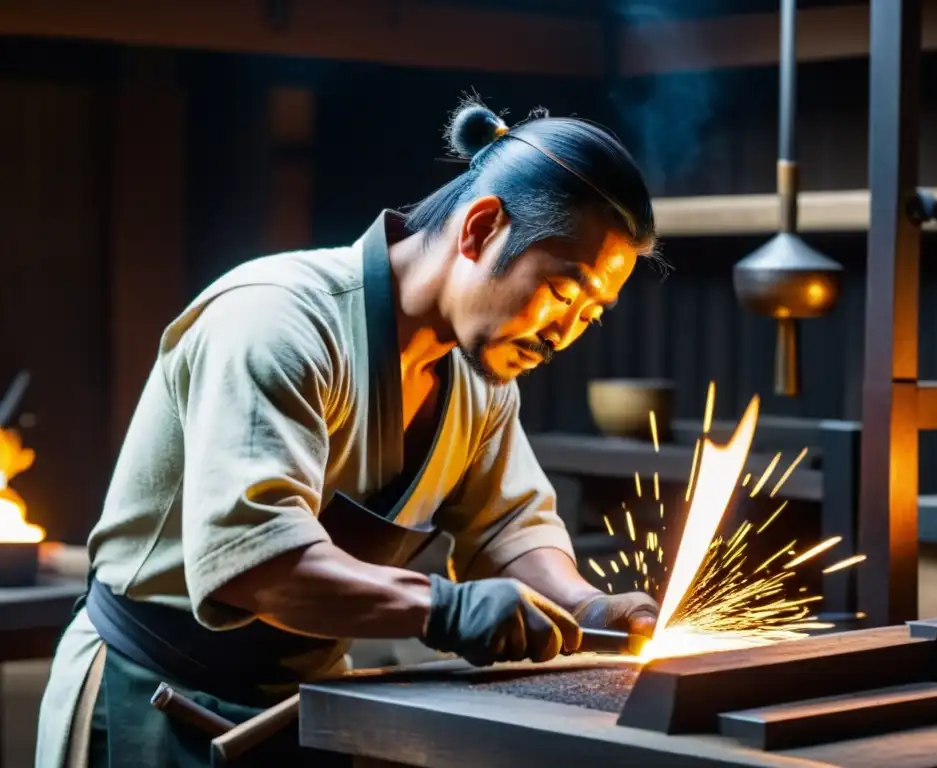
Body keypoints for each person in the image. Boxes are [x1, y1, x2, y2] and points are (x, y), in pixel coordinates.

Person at [36, 98, 664, 768]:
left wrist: (587, 607)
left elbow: (508, 530)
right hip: (148, 696)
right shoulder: (275, 321)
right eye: (565, 293)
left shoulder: (482, 379)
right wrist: (446, 609)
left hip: (308, 704)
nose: (565, 333)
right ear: (481, 229)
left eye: (591, 313)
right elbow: (261, 563)